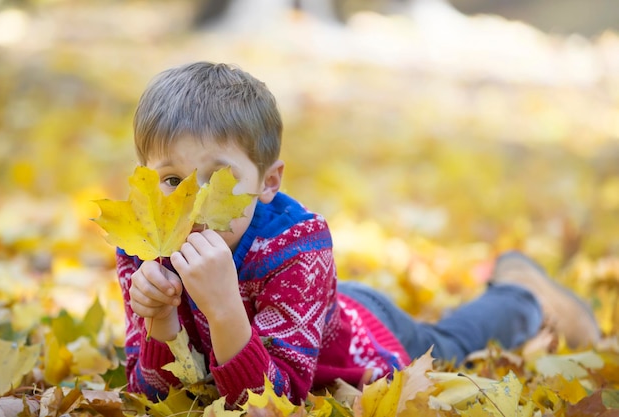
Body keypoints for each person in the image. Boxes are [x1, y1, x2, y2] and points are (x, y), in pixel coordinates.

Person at [115, 61, 600, 407]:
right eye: (172, 181)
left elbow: (273, 401)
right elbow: (156, 397)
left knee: (446, 344)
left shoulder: (297, 248)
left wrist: (223, 308)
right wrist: (161, 324)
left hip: (362, 336)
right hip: (318, 308)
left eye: (218, 179)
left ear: (269, 182)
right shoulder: (146, 248)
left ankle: (523, 295)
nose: (191, 204)